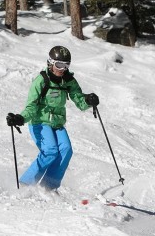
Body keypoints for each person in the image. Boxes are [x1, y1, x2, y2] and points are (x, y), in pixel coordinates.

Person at [7, 46, 100, 190]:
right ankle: (25, 184)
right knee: (50, 150)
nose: (62, 69)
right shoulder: (41, 81)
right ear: (50, 63)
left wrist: (88, 100)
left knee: (66, 150)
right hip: (40, 122)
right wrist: (20, 118)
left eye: (66, 65)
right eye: (59, 65)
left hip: (57, 124)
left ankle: (49, 187)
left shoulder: (68, 81)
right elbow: (31, 107)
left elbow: (80, 101)